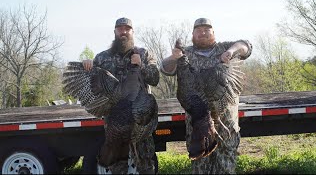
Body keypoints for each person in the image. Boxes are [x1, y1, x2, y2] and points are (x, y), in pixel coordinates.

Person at [161, 18, 252, 174]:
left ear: (213, 33)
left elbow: (246, 46)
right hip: (198, 124)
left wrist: (231, 52)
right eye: (198, 30)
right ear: (193, 34)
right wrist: (173, 57)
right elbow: (165, 69)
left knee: (225, 167)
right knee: (201, 168)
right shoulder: (185, 54)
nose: (202, 33)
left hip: (226, 123)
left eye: (206, 29)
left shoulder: (224, 48)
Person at [82, 17, 159, 174]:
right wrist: (87, 65)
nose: (123, 32)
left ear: (132, 32)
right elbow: (91, 84)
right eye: (120, 29)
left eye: (127, 29)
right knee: (117, 163)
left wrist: (141, 65)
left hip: (140, 119)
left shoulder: (144, 54)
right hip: (115, 120)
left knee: (145, 162)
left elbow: (155, 79)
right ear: (115, 32)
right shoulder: (102, 57)